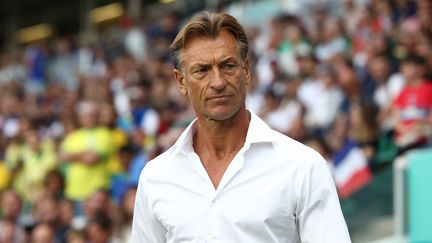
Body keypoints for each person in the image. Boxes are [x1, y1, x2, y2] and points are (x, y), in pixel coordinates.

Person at [131, 12, 351, 242]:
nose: (217, 82)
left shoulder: (302, 166)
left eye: (227, 66)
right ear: (181, 81)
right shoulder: (156, 178)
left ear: (246, 70)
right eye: (202, 70)